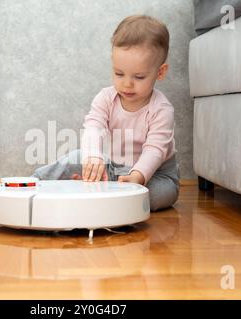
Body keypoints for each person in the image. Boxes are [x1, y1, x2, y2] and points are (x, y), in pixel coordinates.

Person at [32, 15, 180, 212]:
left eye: (139, 77)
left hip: (154, 175)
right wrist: (93, 156)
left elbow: (155, 150)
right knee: (76, 157)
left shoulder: (162, 110)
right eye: (119, 74)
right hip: (113, 167)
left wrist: (138, 177)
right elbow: (94, 127)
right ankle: (34, 183)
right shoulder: (106, 98)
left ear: (160, 72)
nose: (127, 83)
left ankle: (104, 192)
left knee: (160, 194)